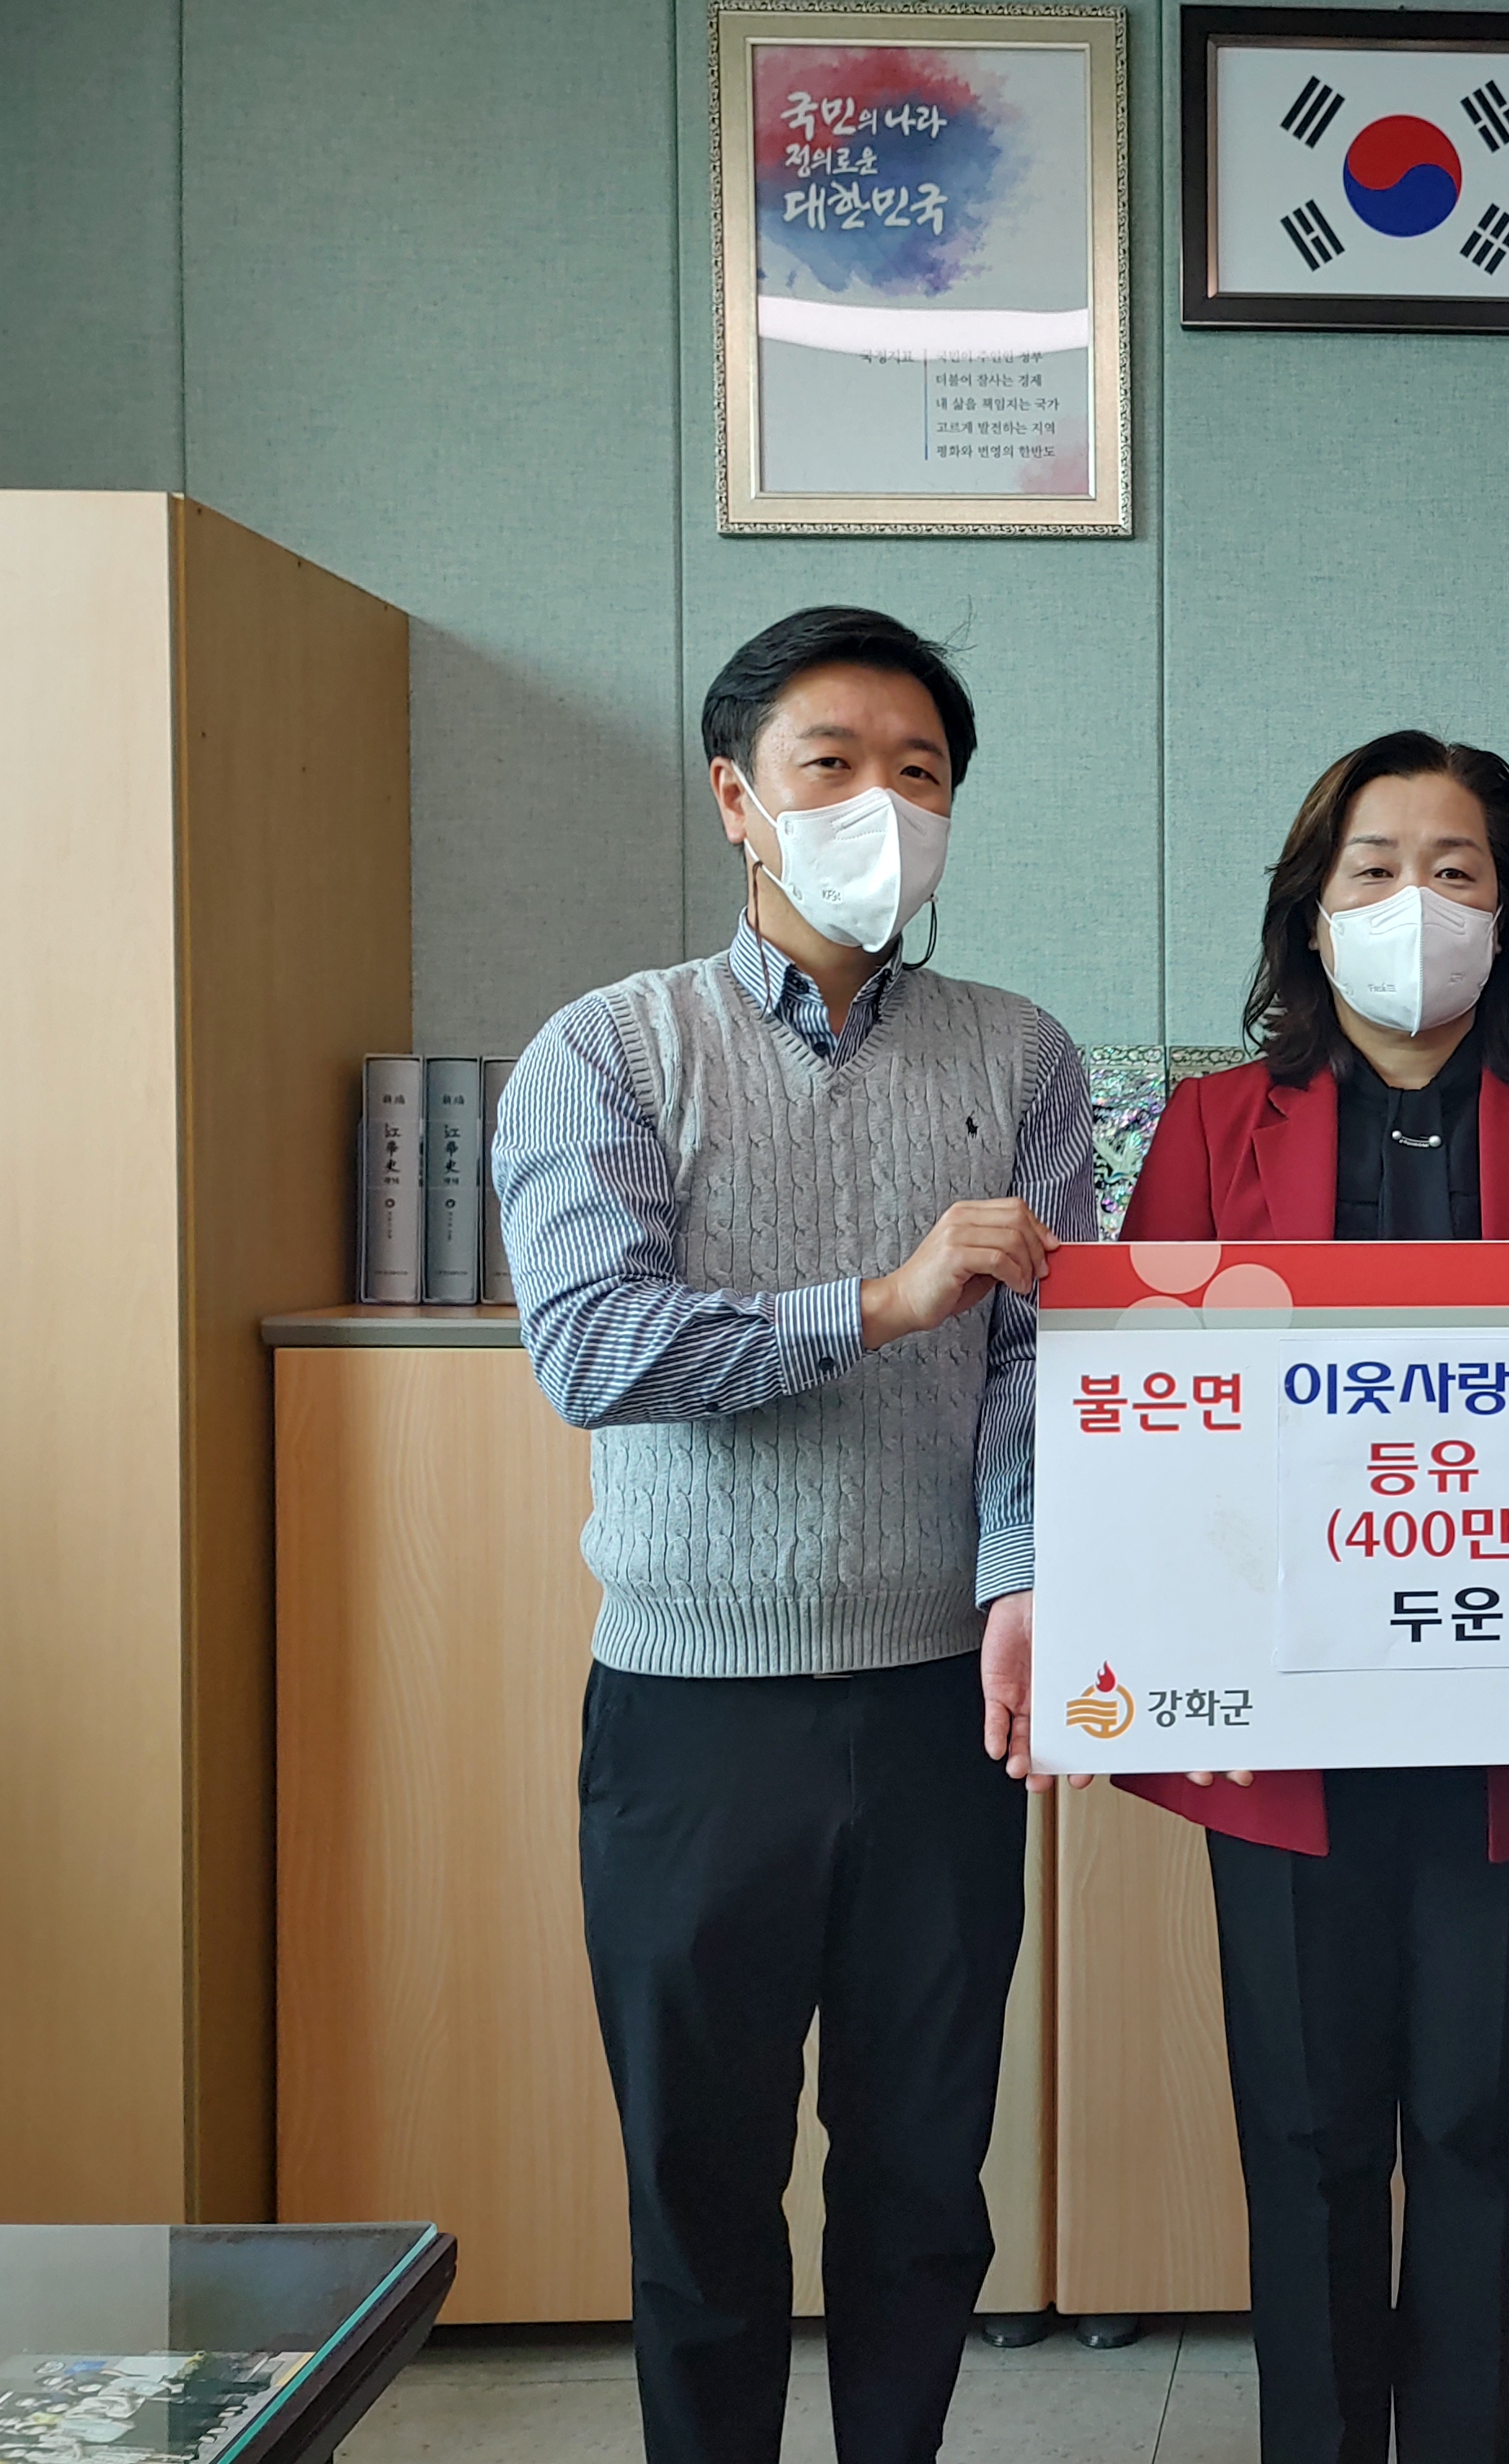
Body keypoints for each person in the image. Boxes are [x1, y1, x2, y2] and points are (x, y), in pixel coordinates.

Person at [491, 606, 1099, 2464]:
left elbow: (1042, 1364)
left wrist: (1021, 1581)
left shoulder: (1022, 1057)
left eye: (921, 773)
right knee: (701, 2188)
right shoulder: (612, 1050)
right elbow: (595, 1351)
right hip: (693, 1710)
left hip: (939, 1700)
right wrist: (880, 1304)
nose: (880, 808)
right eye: (830, 765)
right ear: (735, 799)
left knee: (922, 2187)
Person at [1118, 729, 1509, 2464]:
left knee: (1488, 2125)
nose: (1414, 902)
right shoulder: (1212, 1128)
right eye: (1374, 868)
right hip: (1278, 1723)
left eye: (1456, 870)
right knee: (1305, 2133)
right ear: (1312, 906)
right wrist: (1167, 1649)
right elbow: (1138, 1416)